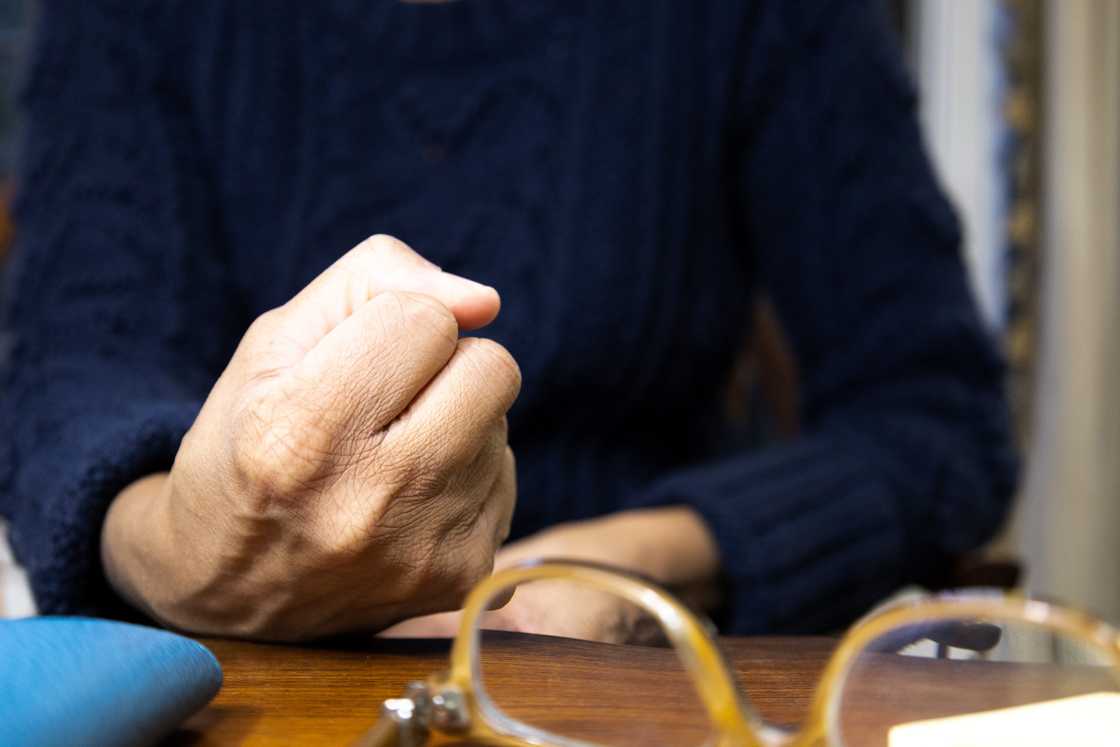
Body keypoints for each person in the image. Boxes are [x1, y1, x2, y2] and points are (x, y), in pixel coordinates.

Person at [0, 0, 1017, 641]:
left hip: (626, 678)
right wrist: (190, 552)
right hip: (246, 677)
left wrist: (638, 562)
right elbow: (71, 381)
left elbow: (936, 419)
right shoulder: (131, 20)